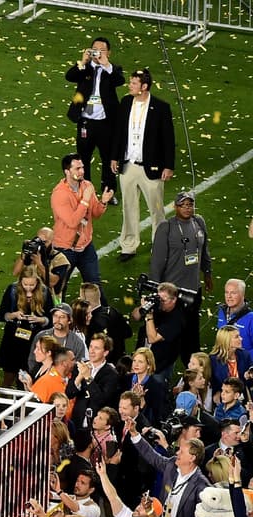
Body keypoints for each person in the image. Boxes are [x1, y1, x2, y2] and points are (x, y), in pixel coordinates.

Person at [111, 67, 176, 262]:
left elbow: (168, 139)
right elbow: (118, 132)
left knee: (156, 209)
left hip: (152, 167)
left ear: (144, 86)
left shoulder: (160, 107)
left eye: (133, 83)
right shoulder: (125, 103)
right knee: (128, 206)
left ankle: (159, 245)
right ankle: (128, 246)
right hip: (128, 164)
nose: (129, 86)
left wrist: (168, 166)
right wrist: (115, 157)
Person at [151, 189, 211, 359]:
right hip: (173, 293)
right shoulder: (166, 227)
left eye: (190, 204)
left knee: (192, 331)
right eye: (182, 205)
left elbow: (204, 250)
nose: (187, 208)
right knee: (170, 334)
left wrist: (207, 272)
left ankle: (191, 364)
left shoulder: (199, 222)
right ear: (175, 207)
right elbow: (157, 262)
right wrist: (157, 291)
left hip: (193, 290)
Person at [64, 36, 124, 199]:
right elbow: (69, 76)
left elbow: (120, 80)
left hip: (106, 123)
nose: (97, 53)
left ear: (108, 53)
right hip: (86, 121)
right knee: (83, 159)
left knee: (108, 159)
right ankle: (86, 192)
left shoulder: (112, 69)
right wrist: (82, 62)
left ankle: (109, 193)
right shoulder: (84, 68)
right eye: (95, 49)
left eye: (102, 50)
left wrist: (106, 64)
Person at [50, 154, 114, 285]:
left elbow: (95, 213)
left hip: (86, 246)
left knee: (94, 286)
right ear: (67, 171)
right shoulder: (59, 194)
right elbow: (72, 222)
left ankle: (100, 306)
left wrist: (103, 202)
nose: (82, 171)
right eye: (77, 169)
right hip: (65, 249)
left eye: (82, 168)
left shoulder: (87, 185)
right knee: (59, 288)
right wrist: (85, 200)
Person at [0, 265, 55, 388]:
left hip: (34, 340)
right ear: (20, 281)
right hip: (13, 338)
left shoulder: (44, 292)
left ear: (37, 282)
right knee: (8, 376)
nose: (28, 288)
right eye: (25, 284)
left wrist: (40, 319)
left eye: (32, 285)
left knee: (27, 379)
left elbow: (50, 319)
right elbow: (2, 315)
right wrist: (14, 315)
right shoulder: (12, 290)